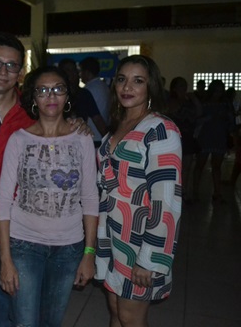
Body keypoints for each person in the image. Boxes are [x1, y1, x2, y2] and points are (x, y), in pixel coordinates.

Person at [0, 32, 88, 327]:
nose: (3, 71)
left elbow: (61, 130)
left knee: (9, 309)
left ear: (21, 71)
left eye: (12, 65)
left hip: (16, 230)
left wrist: (77, 124)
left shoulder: (33, 112)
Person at [0, 66, 98, 327]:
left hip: (69, 248)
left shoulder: (82, 138)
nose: (51, 96)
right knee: (25, 322)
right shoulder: (19, 140)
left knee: (52, 322)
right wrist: (5, 259)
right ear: (33, 98)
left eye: (58, 89)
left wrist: (89, 253)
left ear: (67, 96)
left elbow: (90, 197)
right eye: (42, 90)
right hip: (24, 244)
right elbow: (3, 201)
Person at [95, 55, 182, 327]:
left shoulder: (161, 129)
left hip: (140, 239)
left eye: (138, 81)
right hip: (112, 234)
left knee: (130, 317)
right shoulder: (117, 125)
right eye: (122, 79)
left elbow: (166, 200)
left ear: (151, 87)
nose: (127, 87)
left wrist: (150, 259)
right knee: (115, 310)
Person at [193, 79, 235, 203]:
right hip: (205, 136)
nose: (218, 94)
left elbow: (231, 121)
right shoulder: (204, 103)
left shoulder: (225, 105)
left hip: (219, 137)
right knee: (200, 165)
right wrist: (208, 118)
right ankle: (195, 192)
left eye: (220, 91)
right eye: (216, 91)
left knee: (217, 166)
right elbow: (196, 119)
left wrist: (232, 134)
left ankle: (217, 193)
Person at [166, 77, 202, 203]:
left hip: (188, 137)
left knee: (187, 166)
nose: (184, 88)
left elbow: (199, 113)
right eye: (181, 85)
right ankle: (173, 192)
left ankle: (183, 191)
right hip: (174, 137)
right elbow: (171, 112)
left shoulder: (189, 101)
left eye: (185, 85)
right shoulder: (171, 101)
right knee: (174, 167)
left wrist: (194, 99)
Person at [58, 58, 107, 141]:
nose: (72, 73)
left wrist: (109, 142)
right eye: (68, 70)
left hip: (80, 140)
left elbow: (98, 120)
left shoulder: (84, 94)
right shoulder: (56, 95)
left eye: (74, 70)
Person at [80, 56, 111, 147]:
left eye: (81, 72)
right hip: (103, 135)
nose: (80, 75)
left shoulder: (87, 90)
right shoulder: (104, 86)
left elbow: (96, 118)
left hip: (92, 137)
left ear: (87, 72)